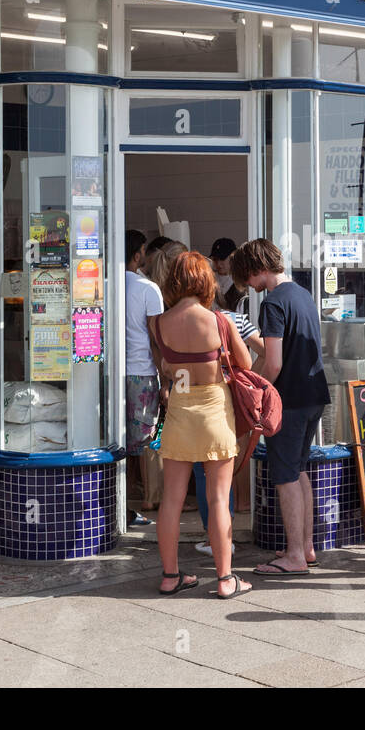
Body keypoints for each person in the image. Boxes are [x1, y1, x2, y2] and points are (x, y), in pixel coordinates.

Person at [148, 251, 253, 599]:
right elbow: (246, 361)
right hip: (214, 414)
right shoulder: (218, 320)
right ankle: (225, 580)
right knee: (219, 499)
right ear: (205, 280)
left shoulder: (160, 322)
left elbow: (165, 366)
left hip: (179, 413)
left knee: (172, 500)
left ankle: (169, 575)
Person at [232, 238, 330, 576]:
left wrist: (253, 390)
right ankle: (305, 547)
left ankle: (293, 556)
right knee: (300, 471)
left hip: (288, 400)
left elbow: (272, 362)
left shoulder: (273, 304)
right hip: (315, 394)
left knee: (285, 476)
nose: (249, 286)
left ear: (257, 269)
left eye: (248, 278)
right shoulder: (303, 295)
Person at [190, 287, 266, 554]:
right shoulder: (236, 319)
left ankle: (214, 538)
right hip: (233, 399)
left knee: (204, 470)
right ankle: (226, 535)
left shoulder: (182, 321)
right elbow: (264, 352)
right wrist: (245, 381)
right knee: (229, 465)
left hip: (201, 398)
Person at [123, 230, 163, 524]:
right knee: (147, 437)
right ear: (138, 254)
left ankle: (124, 496)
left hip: (113, 373)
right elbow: (156, 337)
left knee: (119, 438)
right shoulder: (148, 288)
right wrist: (166, 378)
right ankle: (151, 497)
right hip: (143, 371)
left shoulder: (104, 284)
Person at [209, 237, 247, 313]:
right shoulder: (209, 279)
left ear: (232, 257)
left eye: (222, 259)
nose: (219, 263)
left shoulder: (242, 280)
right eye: (215, 259)